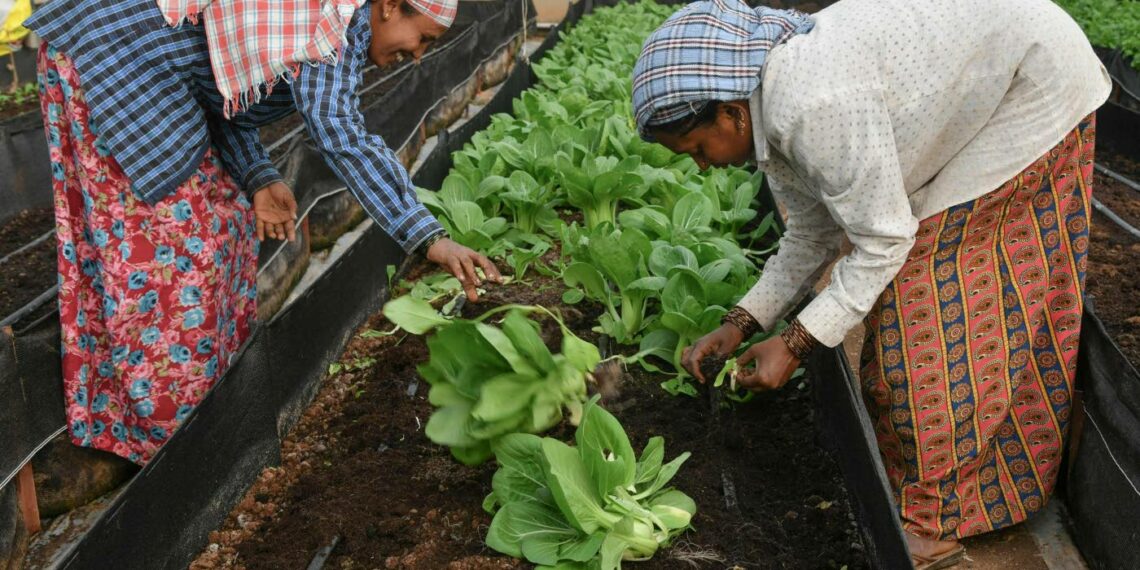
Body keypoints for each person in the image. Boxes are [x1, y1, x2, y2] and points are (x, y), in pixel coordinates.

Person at [631, 0, 1110, 567]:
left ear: (732, 114)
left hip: (1033, 87)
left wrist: (795, 344)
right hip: (996, 80)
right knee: (911, 300)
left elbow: (883, 241)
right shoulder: (769, 104)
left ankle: (935, 520)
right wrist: (742, 323)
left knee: (932, 313)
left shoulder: (811, 106)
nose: (702, 168)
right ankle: (957, 485)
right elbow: (812, 233)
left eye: (697, 151)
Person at [24, 0, 500, 465]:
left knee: (226, 224)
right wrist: (427, 236)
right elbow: (341, 134)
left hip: (151, 69)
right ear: (390, 7)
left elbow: (223, 86)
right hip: (110, 54)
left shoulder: (335, 25)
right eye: (423, 39)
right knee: (172, 257)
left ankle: (212, 414)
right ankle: (173, 449)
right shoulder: (332, 22)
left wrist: (258, 176)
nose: (418, 55)